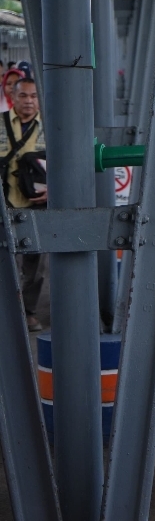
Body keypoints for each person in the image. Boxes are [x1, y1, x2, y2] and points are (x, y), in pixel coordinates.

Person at [1, 78, 46, 331]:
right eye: (23, 96)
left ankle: (28, 311)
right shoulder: (0, 123)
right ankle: (8, 311)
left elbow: (65, 166)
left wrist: (52, 191)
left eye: (33, 96)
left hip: (38, 204)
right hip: (6, 203)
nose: (28, 101)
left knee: (36, 264)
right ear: (13, 97)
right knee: (6, 261)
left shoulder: (49, 128)